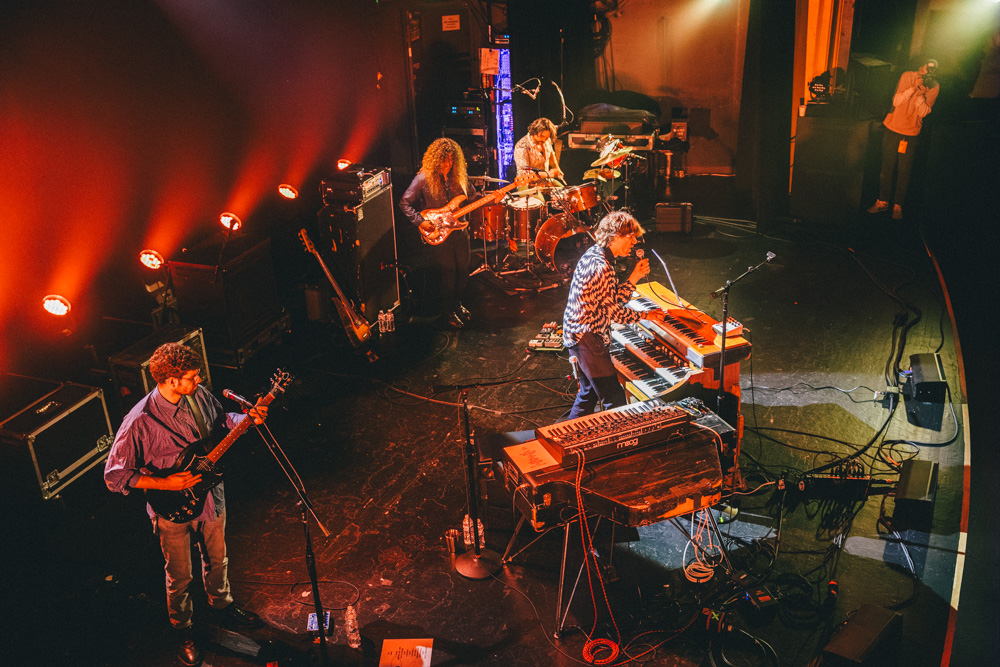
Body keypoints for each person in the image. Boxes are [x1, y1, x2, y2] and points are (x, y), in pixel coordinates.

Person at [104, 343, 267, 666]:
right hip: (170, 507)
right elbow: (115, 476)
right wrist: (166, 483)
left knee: (218, 559)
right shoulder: (139, 420)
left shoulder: (199, 395)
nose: (199, 380)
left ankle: (222, 605)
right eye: (192, 377)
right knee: (179, 576)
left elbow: (222, 422)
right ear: (170, 380)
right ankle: (184, 630)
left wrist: (246, 419)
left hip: (210, 496)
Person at [562, 211, 665, 419]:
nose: (634, 242)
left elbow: (609, 298)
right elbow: (615, 313)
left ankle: (563, 438)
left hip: (579, 335)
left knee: (588, 394)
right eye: (631, 237)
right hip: (587, 338)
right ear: (616, 236)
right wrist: (647, 315)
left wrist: (634, 277)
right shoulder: (602, 267)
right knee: (615, 400)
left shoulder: (596, 254)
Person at [399, 137, 478, 330]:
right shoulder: (423, 178)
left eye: (451, 160)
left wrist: (494, 198)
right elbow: (404, 203)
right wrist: (420, 221)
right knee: (449, 273)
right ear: (436, 160)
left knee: (463, 270)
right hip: (438, 231)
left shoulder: (459, 176)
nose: (448, 164)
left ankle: (456, 304)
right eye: (444, 160)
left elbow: (473, 197)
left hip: (459, 231)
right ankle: (447, 311)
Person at [867, 59, 940, 220]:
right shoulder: (907, 76)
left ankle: (898, 205)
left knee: (904, 171)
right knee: (887, 167)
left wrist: (920, 96)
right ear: (921, 65)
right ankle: (883, 201)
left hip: (911, 132)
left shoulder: (934, 86)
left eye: (932, 69)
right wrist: (913, 88)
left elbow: (923, 112)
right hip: (893, 127)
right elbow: (896, 101)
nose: (928, 72)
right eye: (927, 66)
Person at [513, 117, 566, 185]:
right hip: (527, 183)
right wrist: (549, 174)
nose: (544, 140)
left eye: (546, 138)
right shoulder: (522, 146)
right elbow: (525, 174)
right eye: (542, 136)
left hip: (545, 180)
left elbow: (551, 155)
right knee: (537, 196)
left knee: (565, 193)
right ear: (534, 132)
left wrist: (557, 169)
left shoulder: (547, 140)